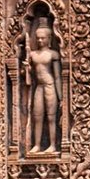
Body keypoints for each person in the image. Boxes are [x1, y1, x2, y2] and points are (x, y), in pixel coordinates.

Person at [23, 20, 62, 155]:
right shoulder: (32, 55)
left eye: (43, 38)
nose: (40, 40)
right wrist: (27, 68)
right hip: (39, 87)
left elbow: (57, 76)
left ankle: (52, 145)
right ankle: (37, 145)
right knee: (37, 116)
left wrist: (60, 96)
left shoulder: (53, 54)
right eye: (38, 38)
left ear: (49, 38)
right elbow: (30, 76)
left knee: (51, 117)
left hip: (50, 85)